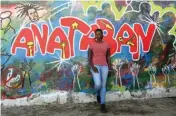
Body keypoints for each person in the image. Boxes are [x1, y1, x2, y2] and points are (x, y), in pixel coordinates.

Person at [88, 29, 111, 113]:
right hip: (95, 66)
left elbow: (108, 57)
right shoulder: (91, 44)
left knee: (103, 86)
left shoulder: (106, 44)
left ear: (102, 35)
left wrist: (110, 68)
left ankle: (103, 104)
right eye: (96, 34)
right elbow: (89, 57)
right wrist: (92, 66)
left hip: (104, 66)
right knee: (98, 84)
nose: (97, 36)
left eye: (99, 34)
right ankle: (97, 93)